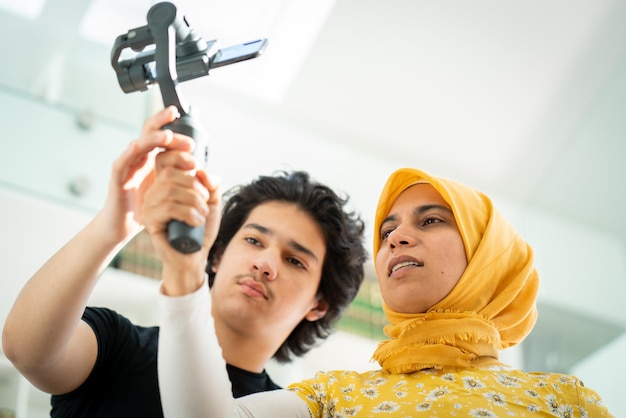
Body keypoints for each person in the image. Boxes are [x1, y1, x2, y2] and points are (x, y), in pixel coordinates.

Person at [156, 166, 614, 417]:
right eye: (387, 230)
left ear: (486, 257)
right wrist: (183, 273)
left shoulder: (565, 401)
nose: (395, 238)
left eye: (430, 220)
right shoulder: (334, 395)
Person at [1, 106, 367, 417]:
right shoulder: (116, 343)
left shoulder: (287, 408)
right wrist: (113, 227)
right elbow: (27, 351)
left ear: (319, 304)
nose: (265, 263)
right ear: (218, 256)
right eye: (254, 240)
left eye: (295, 261)